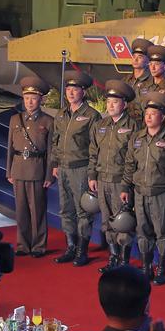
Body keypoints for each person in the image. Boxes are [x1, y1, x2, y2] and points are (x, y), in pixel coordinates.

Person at [122, 92, 165, 284]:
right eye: (147, 113)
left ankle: (161, 269)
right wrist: (125, 187)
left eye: (153, 113)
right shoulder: (137, 137)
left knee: (163, 232)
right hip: (139, 192)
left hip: (160, 193)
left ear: (162, 117)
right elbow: (130, 164)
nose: (148, 117)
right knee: (143, 231)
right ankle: (146, 267)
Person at [88, 80, 140, 271]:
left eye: (115, 102)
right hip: (102, 179)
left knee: (123, 221)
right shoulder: (100, 125)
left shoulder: (133, 126)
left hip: (120, 181)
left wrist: (127, 184)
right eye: (108, 101)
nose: (110, 106)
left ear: (124, 104)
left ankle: (124, 261)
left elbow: (132, 159)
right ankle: (113, 257)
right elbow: (93, 152)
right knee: (106, 220)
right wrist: (92, 175)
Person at [51, 71, 101, 266]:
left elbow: (94, 147)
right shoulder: (61, 114)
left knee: (83, 211)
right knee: (65, 210)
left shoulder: (91, 116)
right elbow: (55, 141)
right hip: (62, 168)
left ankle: (82, 250)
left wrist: (91, 174)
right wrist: (55, 163)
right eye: (68, 89)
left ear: (83, 91)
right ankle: (70, 247)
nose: (71, 93)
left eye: (75, 89)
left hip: (80, 168)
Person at [7, 76, 54, 257]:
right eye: (27, 98)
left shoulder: (48, 121)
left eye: (33, 98)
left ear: (40, 100)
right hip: (18, 169)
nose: (30, 102)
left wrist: (49, 175)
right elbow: (10, 148)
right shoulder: (14, 119)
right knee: (21, 210)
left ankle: (39, 245)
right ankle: (22, 244)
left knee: (38, 210)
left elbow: (51, 150)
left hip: (37, 170)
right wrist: (9, 170)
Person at [124, 38, 154, 121]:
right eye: (134, 56)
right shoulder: (126, 80)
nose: (135, 60)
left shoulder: (152, 81)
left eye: (140, 57)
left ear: (148, 60)